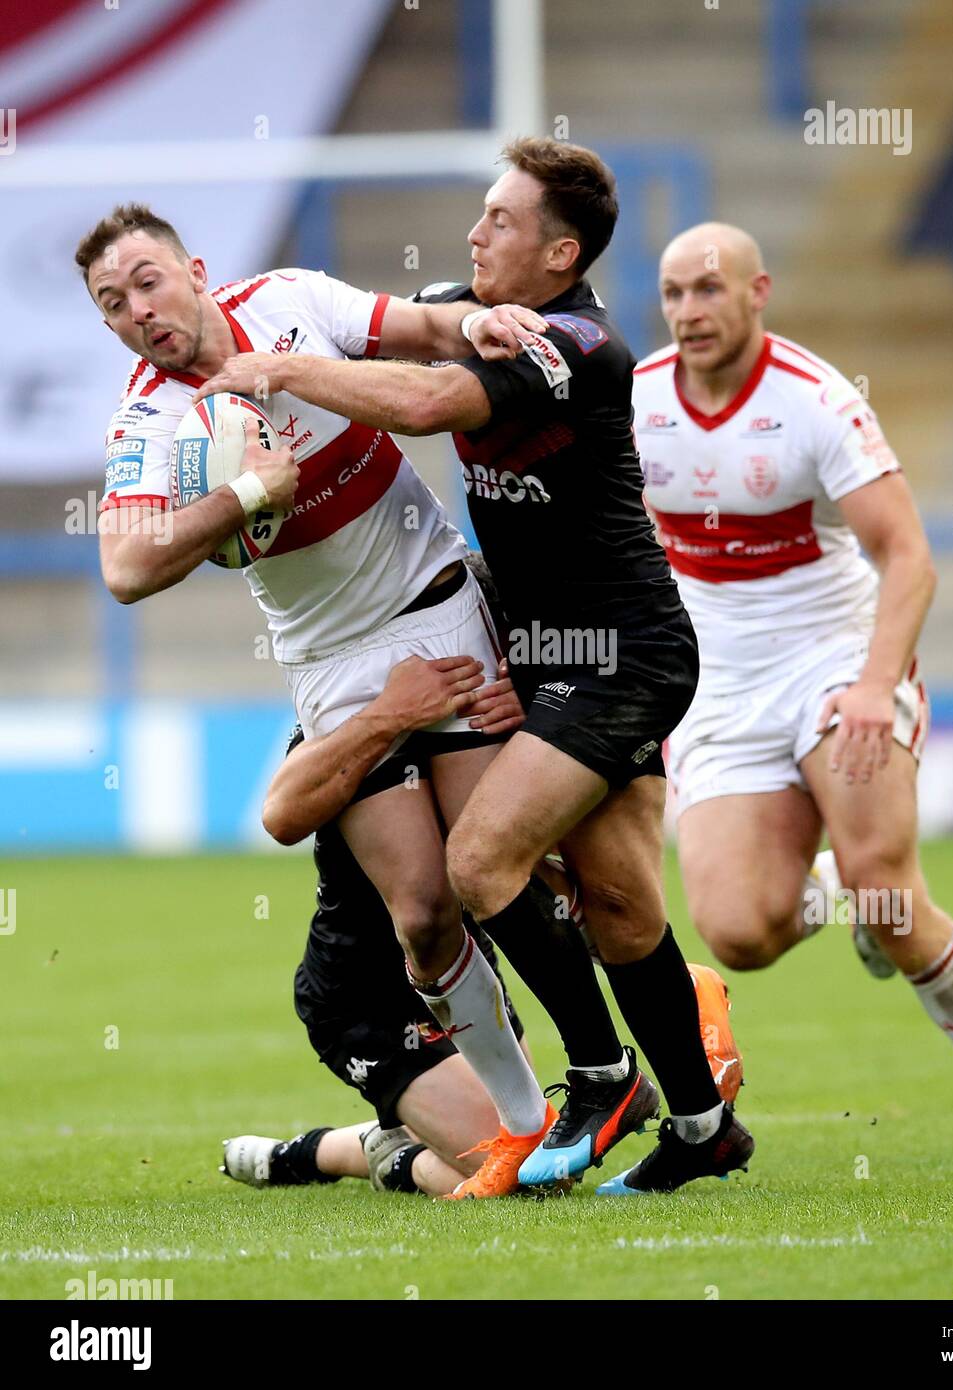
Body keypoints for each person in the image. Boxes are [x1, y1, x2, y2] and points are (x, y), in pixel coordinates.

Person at [195, 138, 754, 1198]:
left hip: (624, 650)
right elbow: (402, 327)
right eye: (480, 214)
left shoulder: (579, 346)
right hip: (541, 654)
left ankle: (598, 1075)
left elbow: (417, 404)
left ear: (561, 252)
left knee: (482, 864)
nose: (474, 233)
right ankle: (701, 1124)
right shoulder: (476, 309)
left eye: (500, 220)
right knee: (623, 906)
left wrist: (274, 367)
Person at [80, 206, 628, 1189]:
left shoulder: (289, 302)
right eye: (113, 303)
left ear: (195, 270)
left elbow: (416, 330)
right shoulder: (146, 420)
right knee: (419, 912)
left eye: (149, 280)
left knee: (486, 867)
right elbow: (124, 568)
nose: (138, 311)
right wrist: (246, 498)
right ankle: (525, 1125)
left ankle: (617, 1058)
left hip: (431, 605)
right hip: (330, 665)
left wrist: (478, 323)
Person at [633, 221, 953, 1159]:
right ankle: (825, 888)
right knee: (740, 932)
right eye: (673, 293)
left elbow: (907, 555)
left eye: (709, 289)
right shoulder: (637, 403)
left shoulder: (814, 399)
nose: (688, 311)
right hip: (719, 680)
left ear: (759, 292)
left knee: (891, 899)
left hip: (834, 660)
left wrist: (875, 686)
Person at [223, 636, 743, 1198]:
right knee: (528, 1186)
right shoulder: (356, 702)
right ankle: (363, 1152)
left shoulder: (492, 726)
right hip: (365, 1000)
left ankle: (681, 1000)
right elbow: (280, 813)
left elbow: (545, 890)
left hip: (468, 983)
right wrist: (387, 715)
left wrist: (666, 1004)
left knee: (534, 1155)